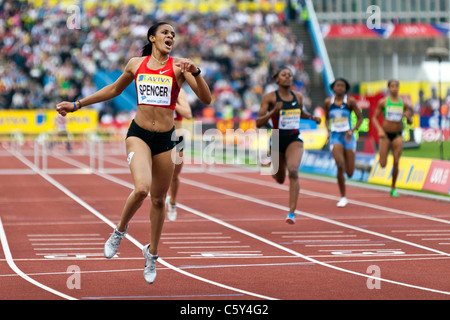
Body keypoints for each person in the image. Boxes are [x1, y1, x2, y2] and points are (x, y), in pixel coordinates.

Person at [56, 22, 212, 284]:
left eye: (173, 35)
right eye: (165, 32)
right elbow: (113, 90)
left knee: (159, 200)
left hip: (165, 139)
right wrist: (77, 104)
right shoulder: (135, 64)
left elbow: (206, 99)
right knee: (142, 189)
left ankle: (151, 253)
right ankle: (119, 231)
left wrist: (197, 72)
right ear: (152, 37)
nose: (170, 36)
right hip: (139, 134)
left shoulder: (179, 68)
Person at [256, 66, 321, 224]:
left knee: (293, 171)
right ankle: (273, 162)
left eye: (290, 75)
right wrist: (273, 112)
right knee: (279, 178)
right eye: (284, 75)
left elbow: (300, 112)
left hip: (294, 138)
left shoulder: (297, 96)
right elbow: (258, 122)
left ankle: (291, 213)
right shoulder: (270, 98)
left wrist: (312, 117)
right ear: (278, 80)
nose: (287, 77)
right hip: (277, 138)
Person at [324, 78, 363, 207]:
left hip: (348, 137)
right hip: (335, 136)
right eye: (337, 85)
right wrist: (328, 130)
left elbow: (360, 117)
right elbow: (326, 118)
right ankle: (343, 196)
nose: (340, 87)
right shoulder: (328, 102)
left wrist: (353, 130)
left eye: (342, 86)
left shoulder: (350, 101)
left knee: (350, 172)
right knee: (339, 164)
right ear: (333, 88)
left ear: (346, 88)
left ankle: (349, 167)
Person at [372, 80, 412, 197]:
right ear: (389, 88)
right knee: (383, 164)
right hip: (385, 135)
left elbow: (409, 121)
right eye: (392, 86)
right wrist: (379, 130)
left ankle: (393, 187)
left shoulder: (404, 104)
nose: (395, 88)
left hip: (397, 135)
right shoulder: (383, 102)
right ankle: (382, 158)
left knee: (396, 161)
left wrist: (407, 118)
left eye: (396, 86)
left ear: (399, 88)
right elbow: (374, 118)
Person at [166, 87, 192, 221]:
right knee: (157, 171)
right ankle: (161, 197)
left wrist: (171, 101)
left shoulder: (179, 91)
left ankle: (172, 202)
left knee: (175, 175)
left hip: (177, 136)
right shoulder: (154, 87)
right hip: (160, 134)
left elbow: (188, 114)